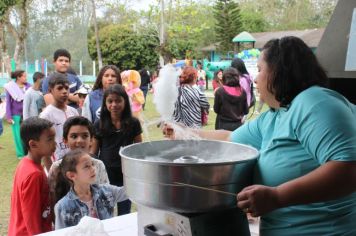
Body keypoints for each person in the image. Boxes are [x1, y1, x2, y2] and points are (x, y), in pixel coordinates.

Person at [164, 36, 356, 235]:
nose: (255, 78)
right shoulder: (276, 115)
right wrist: (183, 132)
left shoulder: (315, 102)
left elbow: (348, 170)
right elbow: (230, 139)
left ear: (280, 71)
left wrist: (277, 197)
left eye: (261, 69)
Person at [90, 84, 142, 215]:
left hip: (126, 173)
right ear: (105, 103)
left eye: (118, 101)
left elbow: (139, 150)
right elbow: (93, 153)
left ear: (125, 101)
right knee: (106, 209)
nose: (114, 105)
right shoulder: (99, 124)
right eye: (110, 101)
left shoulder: (133, 123)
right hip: (106, 174)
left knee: (125, 209)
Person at [54, 149, 128, 229]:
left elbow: (131, 192)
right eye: (86, 166)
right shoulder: (62, 207)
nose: (93, 169)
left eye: (92, 164)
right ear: (72, 175)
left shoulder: (107, 191)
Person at [8, 117, 55, 235]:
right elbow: (31, 217)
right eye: (50, 139)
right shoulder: (34, 175)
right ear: (33, 144)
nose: (55, 144)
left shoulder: (25, 163)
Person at [48, 116, 109, 206]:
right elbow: (52, 200)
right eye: (74, 136)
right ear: (65, 140)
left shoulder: (98, 165)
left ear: (91, 140)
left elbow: (107, 196)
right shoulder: (57, 167)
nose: (80, 141)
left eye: (85, 136)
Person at [40, 73, 79, 166]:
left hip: (75, 161)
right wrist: (50, 173)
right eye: (60, 88)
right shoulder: (46, 116)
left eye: (66, 88)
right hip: (57, 163)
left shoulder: (74, 112)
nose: (64, 91)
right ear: (50, 90)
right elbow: (44, 149)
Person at [4, 70, 31, 158]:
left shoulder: (29, 86)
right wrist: (8, 116)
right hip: (16, 114)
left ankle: (28, 152)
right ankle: (20, 154)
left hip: (27, 113)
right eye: (24, 76)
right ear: (18, 77)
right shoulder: (10, 87)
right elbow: (8, 102)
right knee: (18, 135)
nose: (26, 78)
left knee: (27, 133)